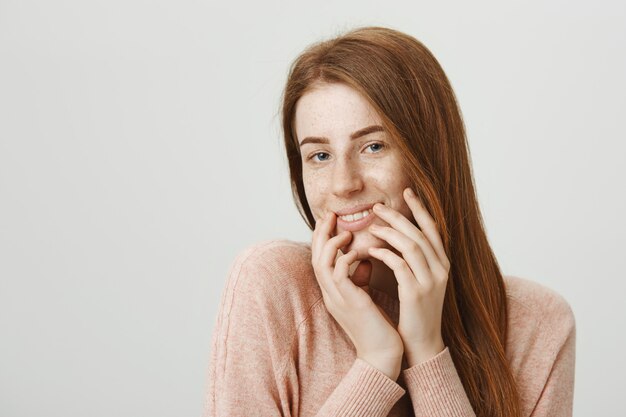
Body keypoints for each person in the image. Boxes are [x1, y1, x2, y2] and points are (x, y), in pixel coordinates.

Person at [203, 26, 576, 417]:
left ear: (429, 157)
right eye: (320, 156)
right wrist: (376, 361)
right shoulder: (272, 285)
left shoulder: (538, 324)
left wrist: (428, 351)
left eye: (373, 146)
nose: (344, 184)